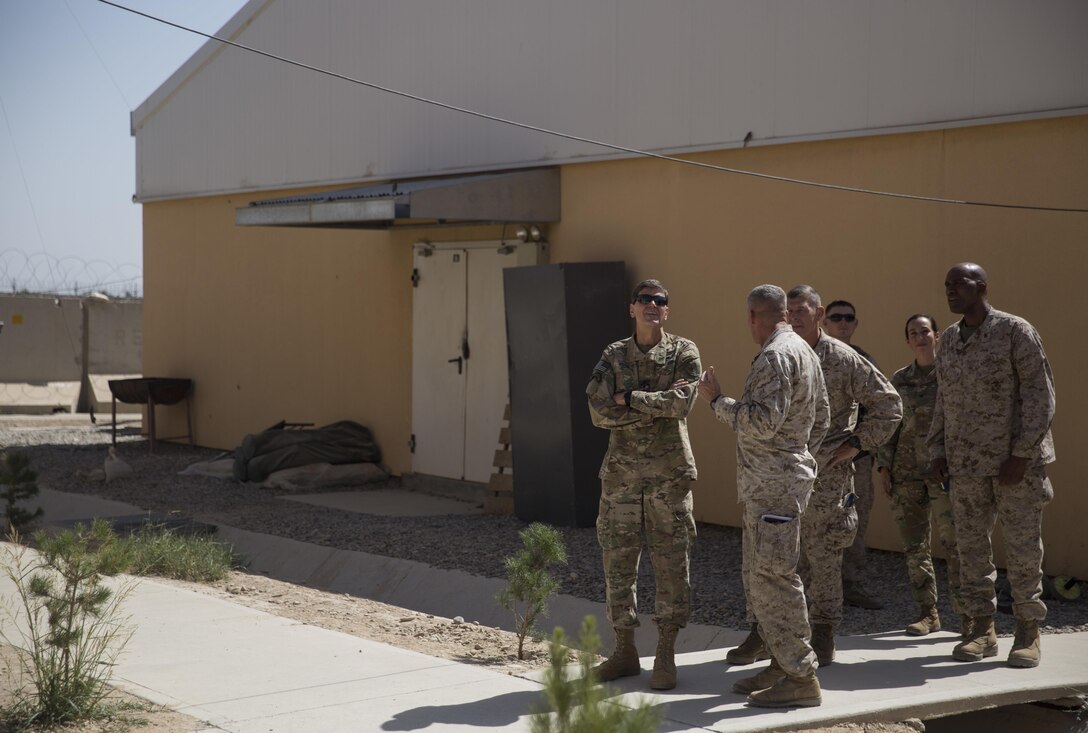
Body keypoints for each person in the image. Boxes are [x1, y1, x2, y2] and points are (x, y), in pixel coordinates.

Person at [698, 284, 829, 707]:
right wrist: (800, 456)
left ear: (755, 316)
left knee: (775, 580)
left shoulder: (776, 355)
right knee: (767, 577)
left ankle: (800, 675)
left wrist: (717, 401)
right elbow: (822, 416)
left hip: (773, 487)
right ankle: (780, 662)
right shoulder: (803, 350)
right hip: (778, 483)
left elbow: (761, 422)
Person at [928, 263, 1055, 668]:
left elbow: (1041, 396)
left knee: (1021, 549)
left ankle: (1028, 632)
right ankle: (982, 629)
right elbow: (943, 399)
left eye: (959, 284)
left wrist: (1022, 454)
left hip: (1013, 465)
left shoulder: (1015, 331)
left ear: (981, 287)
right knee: (971, 551)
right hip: (966, 465)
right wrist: (937, 451)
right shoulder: (949, 339)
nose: (950, 291)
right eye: (946, 285)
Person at [586, 279, 701, 690]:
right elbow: (598, 411)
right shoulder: (613, 354)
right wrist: (654, 406)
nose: (653, 305)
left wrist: (630, 398)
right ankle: (624, 650)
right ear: (631, 308)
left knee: (671, 563)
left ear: (666, 311)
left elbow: (683, 402)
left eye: (660, 301)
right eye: (645, 299)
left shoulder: (684, 351)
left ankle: (666, 653)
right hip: (621, 477)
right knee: (618, 563)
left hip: (668, 477)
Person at [785, 285, 901, 666]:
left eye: (802, 310)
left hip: (829, 479)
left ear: (818, 314)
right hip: (788, 476)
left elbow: (888, 405)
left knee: (824, 557)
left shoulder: (843, 358)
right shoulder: (782, 355)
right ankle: (781, 634)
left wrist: (856, 444)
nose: (795, 317)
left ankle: (823, 632)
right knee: (787, 557)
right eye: (790, 311)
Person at [875, 314, 963, 636]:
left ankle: (969, 617)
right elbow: (890, 424)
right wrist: (884, 466)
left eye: (925, 331)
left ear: (937, 335)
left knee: (955, 544)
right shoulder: (900, 380)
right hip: (906, 473)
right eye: (913, 333)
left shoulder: (952, 374)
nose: (920, 336)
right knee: (915, 547)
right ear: (908, 341)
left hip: (944, 472)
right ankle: (928, 613)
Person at [823, 299, 884, 611]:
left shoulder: (863, 361)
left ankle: (851, 584)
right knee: (815, 525)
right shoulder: (810, 356)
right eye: (837, 318)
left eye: (849, 318)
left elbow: (882, 407)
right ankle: (817, 588)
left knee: (855, 522)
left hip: (855, 460)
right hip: (817, 460)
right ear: (825, 322)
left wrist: (862, 445)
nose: (843, 323)